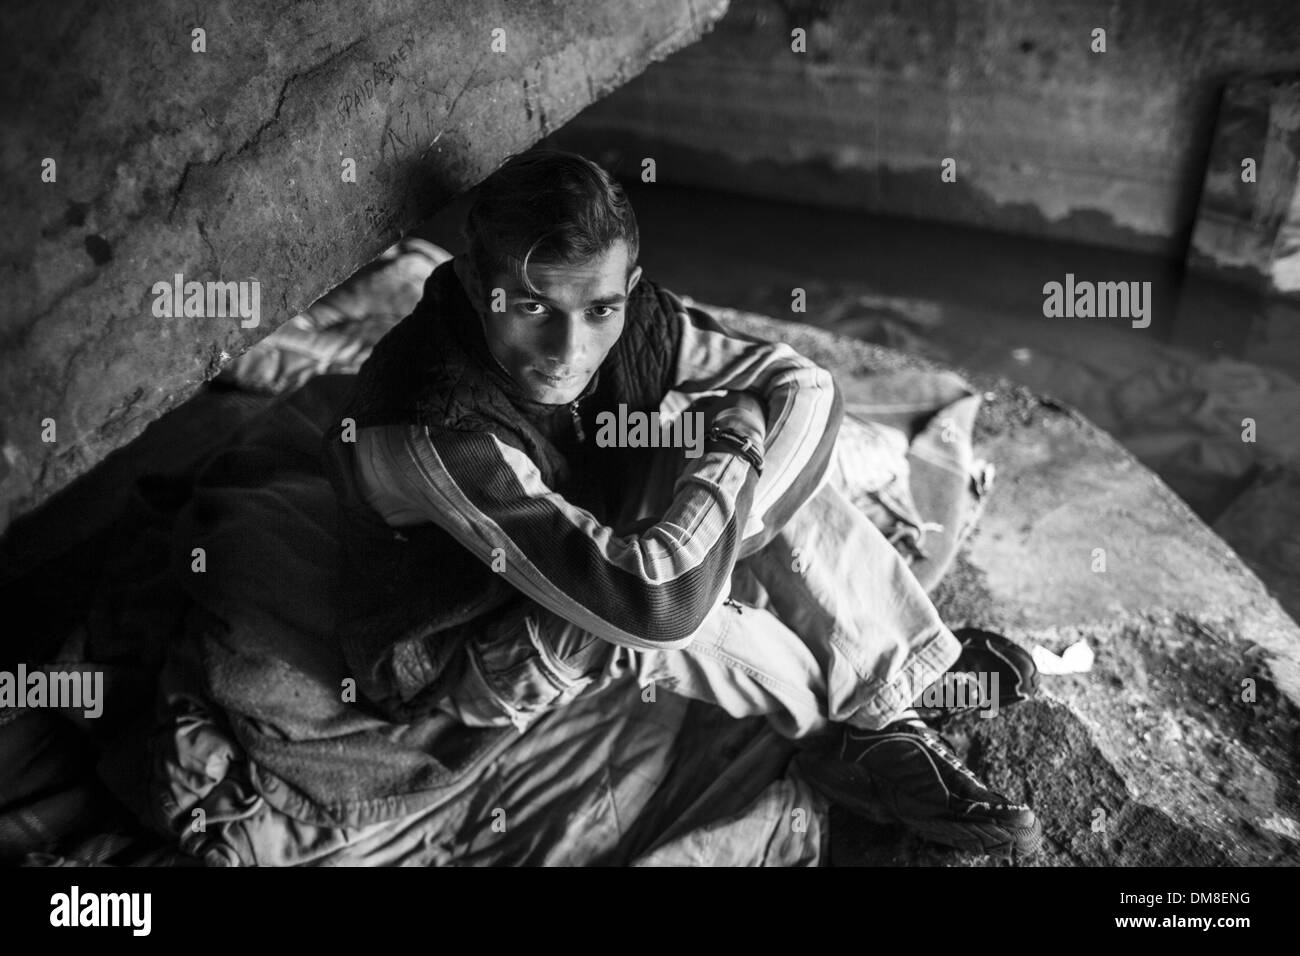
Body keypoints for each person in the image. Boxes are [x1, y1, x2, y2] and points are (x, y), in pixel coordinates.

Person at [322, 148, 1042, 859]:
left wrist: (728, 514)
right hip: (473, 648)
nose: (569, 349)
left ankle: (897, 688)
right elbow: (656, 609)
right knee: (671, 565)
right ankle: (857, 734)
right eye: (533, 307)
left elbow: (806, 387)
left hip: (588, 516)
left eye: (599, 309)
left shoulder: (632, 315)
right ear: (477, 284)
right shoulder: (437, 428)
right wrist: (732, 461)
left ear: (627, 288)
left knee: (721, 452)